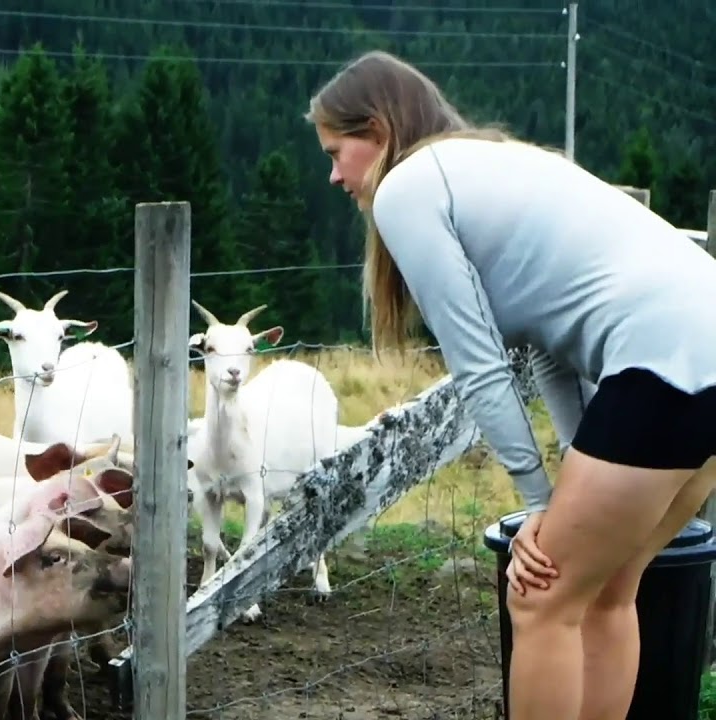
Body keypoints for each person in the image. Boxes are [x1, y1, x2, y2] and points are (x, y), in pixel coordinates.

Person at [304, 49, 716, 720]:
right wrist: (563, 491)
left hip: (663, 358)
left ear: (376, 130)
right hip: (701, 343)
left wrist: (537, 505)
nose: (334, 175)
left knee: (541, 597)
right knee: (609, 588)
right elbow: (551, 347)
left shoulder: (409, 188)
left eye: (335, 152)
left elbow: (481, 368)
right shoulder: (498, 161)